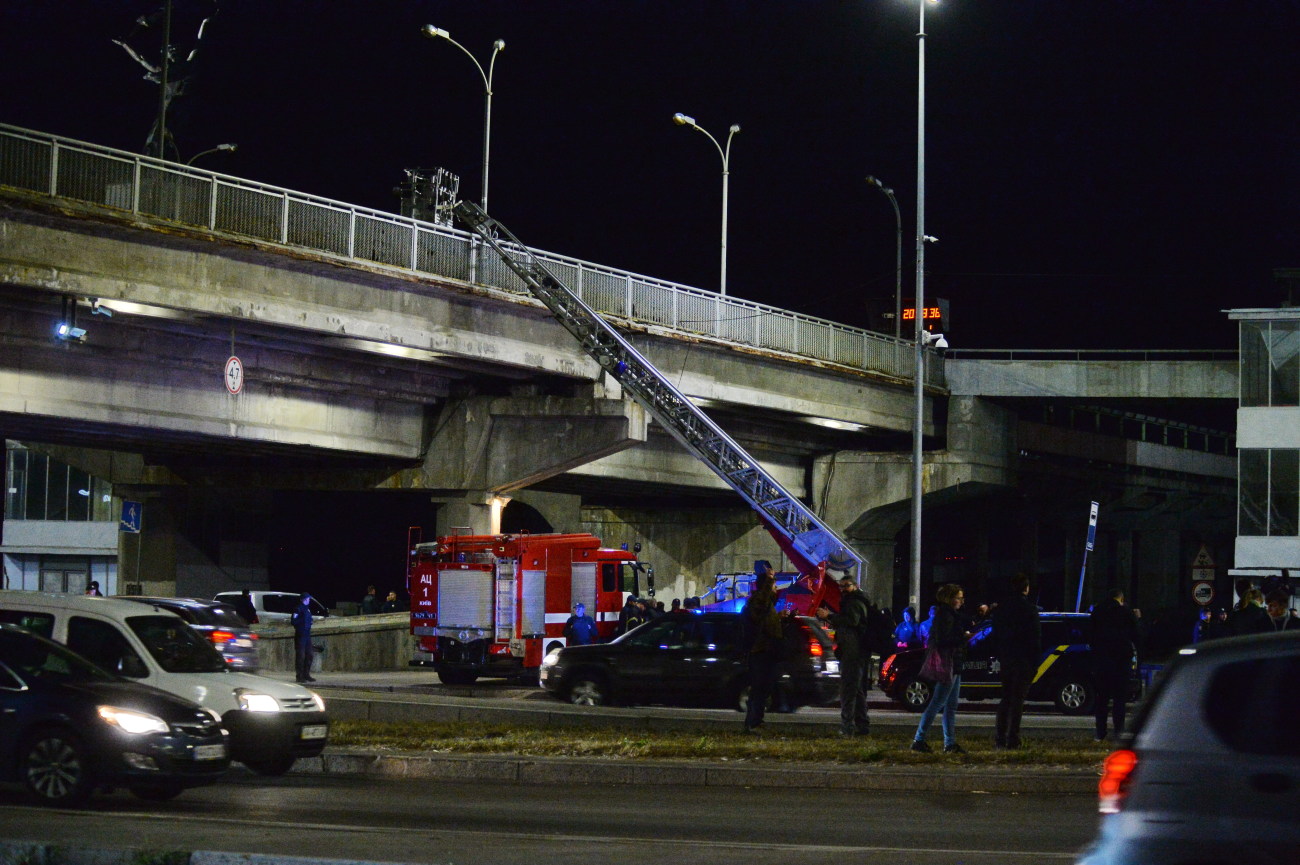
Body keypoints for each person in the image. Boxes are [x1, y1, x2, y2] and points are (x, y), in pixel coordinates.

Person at [911, 583, 971, 754]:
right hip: (949, 663)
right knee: (938, 703)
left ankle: (949, 743)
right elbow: (944, 639)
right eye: (958, 597)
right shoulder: (945, 615)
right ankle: (919, 739)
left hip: (954, 663)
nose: (961, 601)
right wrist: (963, 637)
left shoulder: (949, 614)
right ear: (950, 598)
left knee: (950, 706)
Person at [817, 574, 872, 736]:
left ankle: (847, 727)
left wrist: (829, 616)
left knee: (848, 689)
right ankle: (862, 726)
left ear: (855, 586)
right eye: (841, 586)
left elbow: (852, 621)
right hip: (853, 651)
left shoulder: (854, 602)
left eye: (846, 586)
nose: (843, 589)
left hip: (853, 652)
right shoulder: (854, 601)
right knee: (856, 690)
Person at [992, 574, 1041, 749]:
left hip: (1007, 658)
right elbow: (1035, 638)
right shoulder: (1030, 609)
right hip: (1024, 660)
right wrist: (1035, 662)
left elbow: (995, 635)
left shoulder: (1001, 609)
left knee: (1006, 698)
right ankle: (1013, 738)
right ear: (1026, 589)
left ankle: (999, 737)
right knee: (1018, 700)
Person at [1090, 588, 1141, 741]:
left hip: (1102, 661)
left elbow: (1090, 635)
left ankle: (1100, 732)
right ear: (1121, 599)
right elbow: (1137, 636)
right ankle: (1118, 732)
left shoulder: (1098, 611)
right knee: (1119, 699)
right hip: (1121, 661)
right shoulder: (1126, 612)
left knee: (1102, 699)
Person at [743, 560, 784, 733]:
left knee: (762, 689)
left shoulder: (768, 607)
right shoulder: (758, 602)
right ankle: (754, 723)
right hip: (760, 652)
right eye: (774, 586)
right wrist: (768, 580)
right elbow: (762, 599)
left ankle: (754, 722)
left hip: (767, 652)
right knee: (759, 689)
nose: (776, 589)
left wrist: (782, 617)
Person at [291, 592, 316, 683]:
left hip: (307, 634)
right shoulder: (298, 609)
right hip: (300, 635)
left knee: (309, 655)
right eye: (308, 599)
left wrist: (309, 622)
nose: (309, 600)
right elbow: (293, 621)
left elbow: (309, 619)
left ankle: (306, 674)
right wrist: (303, 621)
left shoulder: (307, 609)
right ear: (304, 599)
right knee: (300, 656)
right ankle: (299, 676)